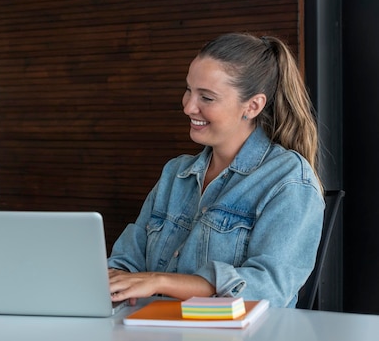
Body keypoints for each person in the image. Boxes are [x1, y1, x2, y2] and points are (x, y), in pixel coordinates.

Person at [107, 32, 324, 308]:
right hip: (152, 329)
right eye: (188, 90)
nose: (188, 107)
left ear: (253, 105)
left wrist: (161, 282)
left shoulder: (288, 180)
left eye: (206, 98)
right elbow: (127, 261)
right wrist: (111, 279)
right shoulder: (175, 174)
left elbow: (269, 288)